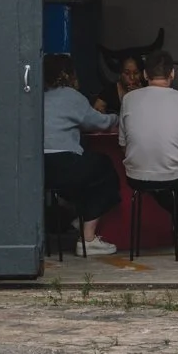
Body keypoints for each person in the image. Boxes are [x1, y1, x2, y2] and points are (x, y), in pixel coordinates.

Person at [116, 49, 178, 239]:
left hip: (135, 177)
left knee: (161, 172)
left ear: (145, 74)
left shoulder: (128, 100)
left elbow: (123, 146)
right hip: (175, 177)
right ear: (172, 73)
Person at [42, 54, 123, 255]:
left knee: (84, 176)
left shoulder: (38, 96)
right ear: (69, 74)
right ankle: (88, 238)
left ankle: (81, 219)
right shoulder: (72, 97)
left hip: (39, 166)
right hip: (65, 163)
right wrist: (120, 117)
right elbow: (100, 123)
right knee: (104, 168)